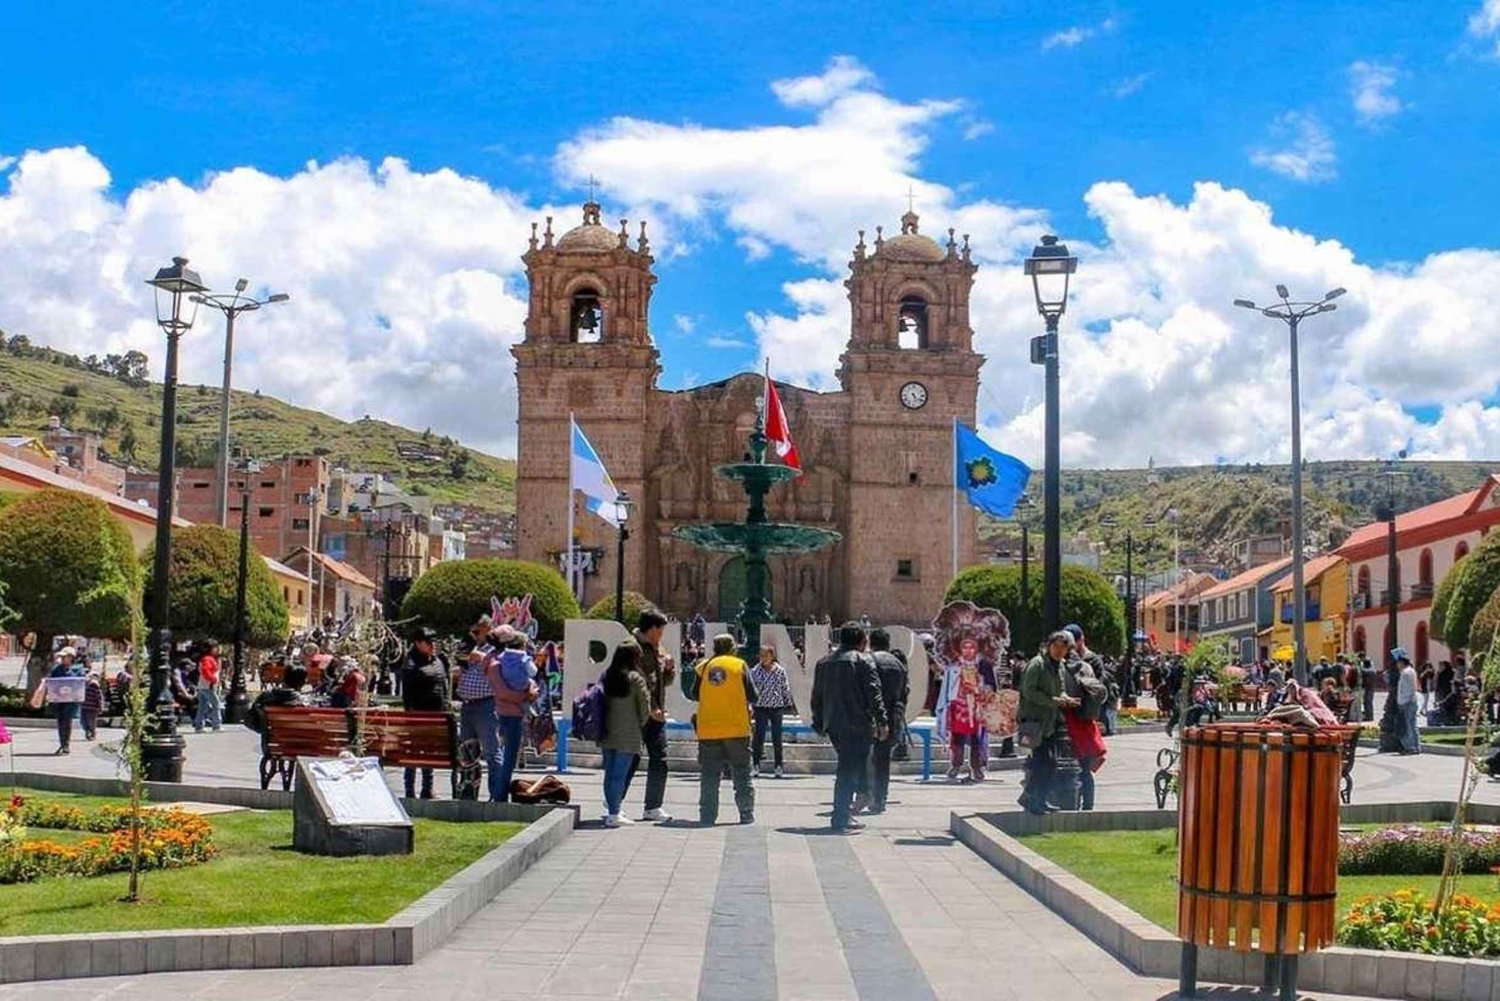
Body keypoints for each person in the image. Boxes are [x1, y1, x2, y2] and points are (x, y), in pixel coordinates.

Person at [811, 622, 886, 832]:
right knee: (848, 770)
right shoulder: (863, 661)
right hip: (858, 723)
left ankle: (850, 808)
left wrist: (818, 722)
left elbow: (816, 696)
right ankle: (841, 816)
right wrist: (882, 721)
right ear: (862, 641)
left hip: (834, 724)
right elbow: (874, 693)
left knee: (849, 766)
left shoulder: (824, 662)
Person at [686, 634, 758, 826]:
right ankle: (746, 813)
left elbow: (694, 694)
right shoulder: (739, 665)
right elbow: (754, 695)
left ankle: (707, 815)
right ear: (733, 647)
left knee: (710, 775)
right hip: (737, 729)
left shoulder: (703, 667)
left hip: (709, 728)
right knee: (741, 772)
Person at [1018, 632, 1078, 816]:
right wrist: (1053, 701)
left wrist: (1067, 699)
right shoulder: (1037, 664)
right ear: (1049, 645)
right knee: (1041, 761)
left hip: (1049, 722)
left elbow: (1060, 690)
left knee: (1049, 763)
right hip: (1033, 721)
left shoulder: (1059, 666)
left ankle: (1039, 798)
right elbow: (1028, 691)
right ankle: (1030, 797)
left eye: (1064, 648)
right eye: (1057, 646)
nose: (1060, 651)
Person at [484, 625, 539, 803]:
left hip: (510, 712)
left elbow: (529, 679)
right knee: (507, 757)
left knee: (507, 756)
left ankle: (499, 793)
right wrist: (526, 695)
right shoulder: (495, 663)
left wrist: (531, 688)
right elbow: (503, 693)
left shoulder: (501, 660)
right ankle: (499, 796)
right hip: (505, 714)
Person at [601, 640, 651, 827]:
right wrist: (640, 724)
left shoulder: (607, 676)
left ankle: (611, 810)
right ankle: (614, 813)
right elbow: (645, 707)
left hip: (607, 731)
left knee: (609, 773)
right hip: (629, 732)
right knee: (619, 775)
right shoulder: (635, 678)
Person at [632, 610, 677, 822]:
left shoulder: (656, 648)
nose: (662, 634)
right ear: (652, 629)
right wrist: (649, 708)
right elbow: (635, 683)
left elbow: (661, 683)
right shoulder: (632, 648)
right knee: (631, 758)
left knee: (660, 758)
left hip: (656, 714)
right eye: (661, 630)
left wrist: (669, 670)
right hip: (637, 713)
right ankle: (613, 804)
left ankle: (653, 806)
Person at [455, 618, 505, 801]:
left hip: (487, 704)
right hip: (468, 705)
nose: (474, 636)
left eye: (478, 632)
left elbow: (502, 668)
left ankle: (497, 794)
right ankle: (468, 791)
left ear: (488, 630)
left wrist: (482, 658)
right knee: (467, 751)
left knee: (492, 751)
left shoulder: (495, 650)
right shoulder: (470, 648)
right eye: (473, 632)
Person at [400, 627, 451, 799]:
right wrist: (411, 715)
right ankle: (409, 789)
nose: (433, 645)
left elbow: (443, 686)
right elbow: (407, 694)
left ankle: (427, 788)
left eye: (434, 641)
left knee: (429, 752)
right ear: (418, 643)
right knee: (414, 754)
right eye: (429, 642)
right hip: (418, 715)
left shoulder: (438, 661)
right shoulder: (411, 664)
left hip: (436, 714)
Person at [866, 628, 908, 814]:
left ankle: (865, 794)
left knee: (865, 758)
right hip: (892, 718)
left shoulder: (868, 661)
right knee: (883, 760)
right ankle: (880, 798)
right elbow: (904, 694)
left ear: (870, 642)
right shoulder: (898, 665)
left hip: (870, 718)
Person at [1062, 645, 1108, 811]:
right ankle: (1088, 805)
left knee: (1071, 767)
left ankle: (1071, 802)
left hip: (1070, 723)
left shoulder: (1062, 669)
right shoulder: (1086, 667)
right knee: (1085, 769)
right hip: (1087, 724)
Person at [749, 644, 794, 778]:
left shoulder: (780, 670)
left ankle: (778, 766)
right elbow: (751, 688)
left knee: (777, 737)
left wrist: (788, 704)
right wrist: (750, 704)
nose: (763, 658)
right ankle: (756, 765)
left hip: (776, 707)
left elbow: (784, 687)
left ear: (772, 656)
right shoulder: (755, 671)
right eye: (761, 655)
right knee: (759, 736)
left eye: (766, 655)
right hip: (761, 707)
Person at [46, 647, 84, 754]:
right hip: (58, 701)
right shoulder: (56, 669)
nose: (63, 659)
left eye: (65, 657)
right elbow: (52, 683)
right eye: (62, 657)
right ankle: (62, 743)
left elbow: (81, 683)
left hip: (70, 702)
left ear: (71, 657)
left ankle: (66, 745)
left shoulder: (78, 670)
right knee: (60, 722)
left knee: (67, 722)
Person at [193, 641, 223, 733]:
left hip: (203, 685)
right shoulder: (208, 659)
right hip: (208, 686)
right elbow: (206, 671)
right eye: (215, 648)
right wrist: (213, 679)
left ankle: (199, 726)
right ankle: (216, 725)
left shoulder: (207, 658)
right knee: (216, 704)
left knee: (202, 706)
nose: (217, 650)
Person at [1395, 649, 1420, 755]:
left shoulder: (1406, 673)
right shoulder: (1411, 671)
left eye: (1398, 663)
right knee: (1412, 724)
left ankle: (1410, 746)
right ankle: (1415, 745)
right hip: (1411, 701)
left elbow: (1406, 689)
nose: (1397, 665)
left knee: (1408, 725)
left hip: (1407, 702)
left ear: (1401, 663)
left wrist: (1402, 702)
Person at [81, 667, 104, 741]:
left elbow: (99, 697)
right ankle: (88, 732)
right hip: (84, 706)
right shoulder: (85, 684)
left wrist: (100, 706)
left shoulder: (95, 685)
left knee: (91, 721)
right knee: (83, 721)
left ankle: (92, 734)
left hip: (92, 707)